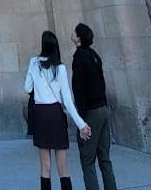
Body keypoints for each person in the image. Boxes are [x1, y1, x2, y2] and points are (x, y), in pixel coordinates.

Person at [25, 30, 92, 190]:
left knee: (45, 166)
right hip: (55, 113)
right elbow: (67, 100)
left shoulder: (34, 62)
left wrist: (38, 87)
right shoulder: (60, 68)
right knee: (63, 167)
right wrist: (81, 124)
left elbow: (27, 88)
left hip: (40, 114)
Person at [71, 23, 118, 190]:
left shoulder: (79, 57)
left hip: (91, 111)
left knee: (87, 158)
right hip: (103, 108)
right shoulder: (94, 55)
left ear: (79, 37)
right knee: (104, 158)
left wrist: (81, 119)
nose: (72, 33)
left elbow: (78, 88)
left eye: (75, 32)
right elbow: (101, 82)